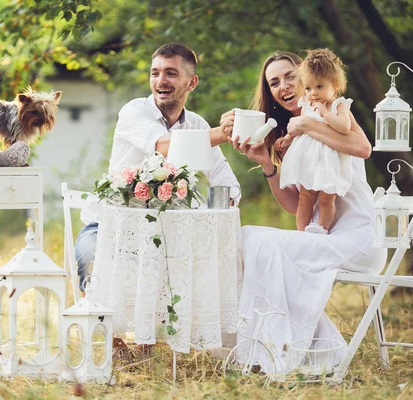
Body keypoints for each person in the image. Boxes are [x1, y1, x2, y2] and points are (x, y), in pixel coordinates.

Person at [220, 51, 387, 374]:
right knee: (246, 238)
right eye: (274, 83)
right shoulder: (293, 138)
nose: (283, 86)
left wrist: (307, 123)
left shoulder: (334, 114)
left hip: (359, 238)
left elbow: (363, 148)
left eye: (290, 76)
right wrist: (267, 164)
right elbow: (295, 205)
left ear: (309, 78)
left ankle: (293, 350)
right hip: (324, 237)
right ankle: (279, 348)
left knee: (259, 243)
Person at [75, 43, 241, 293]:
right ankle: (109, 332)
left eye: (171, 73)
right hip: (109, 228)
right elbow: (163, 145)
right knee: (95, 278)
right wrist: (223, 133)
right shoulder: (134, 110)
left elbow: (225, 179)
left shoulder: (196, 124)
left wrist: (219, 207)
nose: (160, 80)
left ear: (192, 82)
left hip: (169, 234)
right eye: (155, 73)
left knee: (212, 271)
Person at [275, 48, 354, 235]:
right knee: (305, 197)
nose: (313, 93)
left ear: (334, 85)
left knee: (327, 199)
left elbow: (344, 127)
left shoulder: (338, 105)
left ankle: (321, 228)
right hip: (310, 160)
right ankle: (303, 232)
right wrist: (287, 139)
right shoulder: (306, 105)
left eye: (319, 87)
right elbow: (298, 129)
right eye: (309, 88)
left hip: (329, 161)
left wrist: (325, 114)